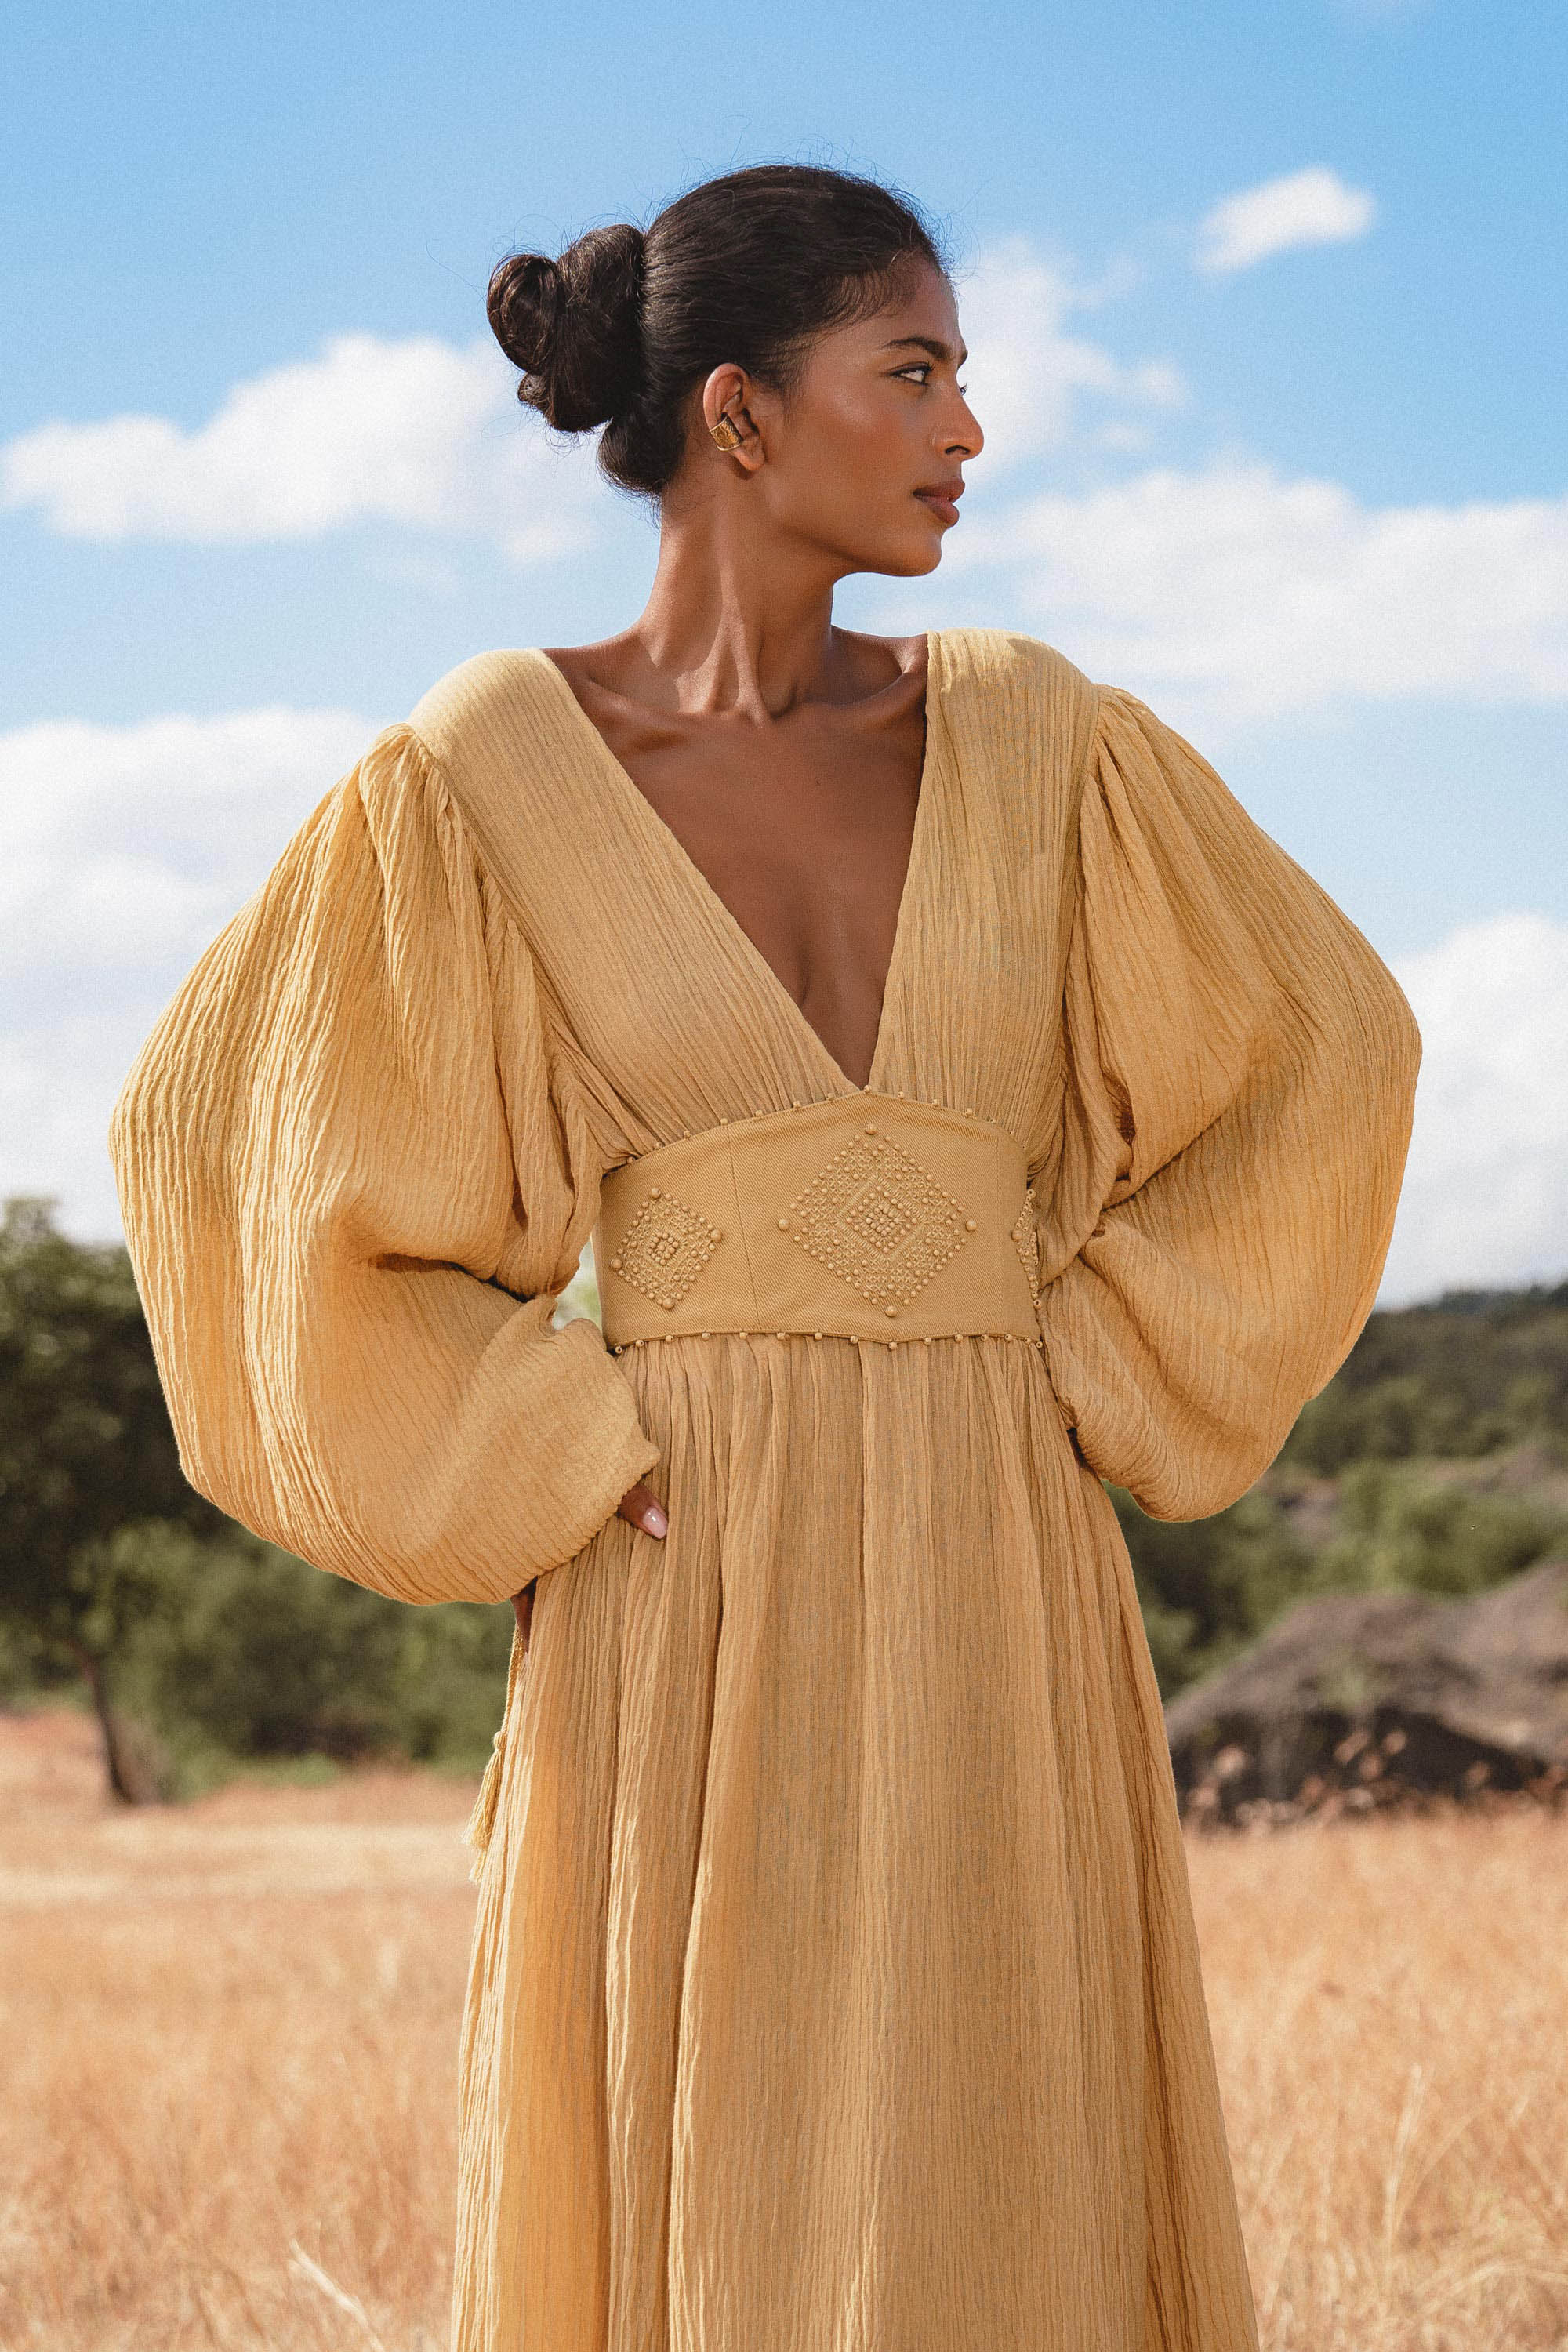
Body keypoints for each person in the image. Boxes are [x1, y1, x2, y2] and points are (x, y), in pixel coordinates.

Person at [109, 162, 1421, 2352]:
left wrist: (1103, 1358)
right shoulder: (484, 771)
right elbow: (226, 1152)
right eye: (912, 374)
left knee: (1012, 2131)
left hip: (1004, 1553)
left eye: (963, 383)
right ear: (739, 414)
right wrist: (521, 1445)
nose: (966, 434)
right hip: (679, 1564)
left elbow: (1332, 1053)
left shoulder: (1043, 735)